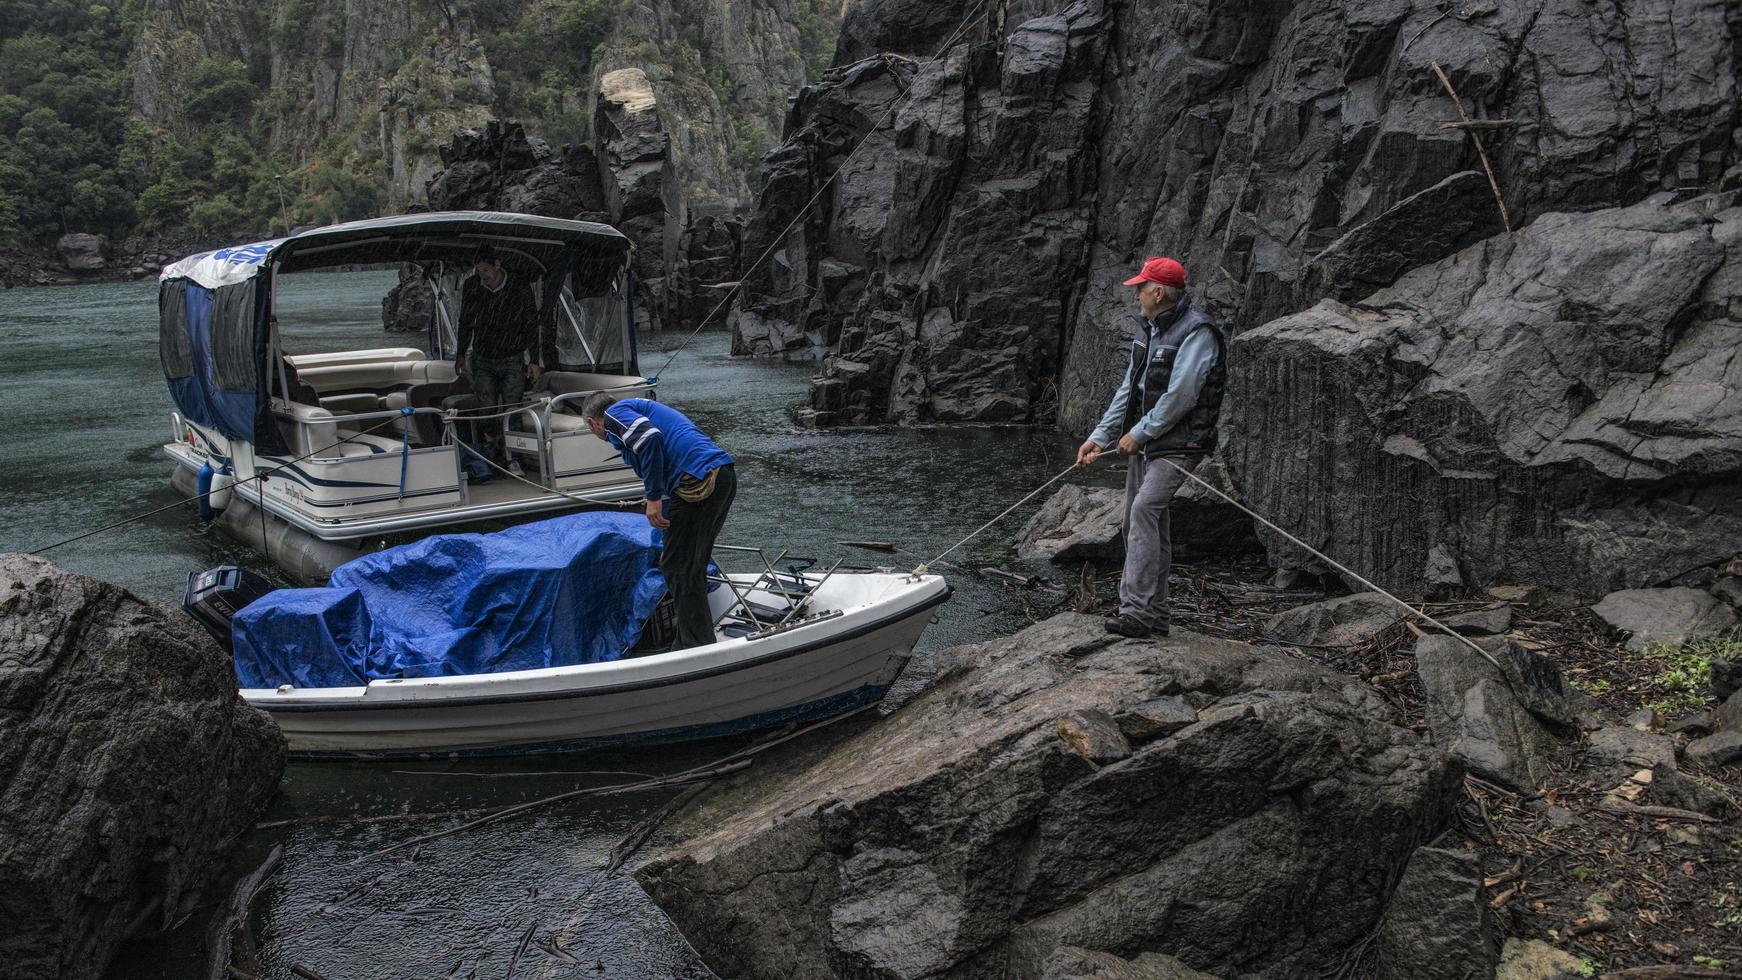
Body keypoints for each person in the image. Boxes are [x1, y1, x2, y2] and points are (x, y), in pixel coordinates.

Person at [1075, 256, 1227, 639]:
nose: (1136, 294)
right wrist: (1100, 436)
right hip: (1150, 442)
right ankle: (1155, 614)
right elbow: (1128, 389)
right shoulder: (1147, 330)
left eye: (1140, 288)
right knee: (1140, 519)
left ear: (1158, 292)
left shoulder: (1198, 332)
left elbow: (1182, 396)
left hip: (1181, 442)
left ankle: (1137, 613)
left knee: (1144, 510)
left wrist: (1139, 434)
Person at [581, 393, 736, 650]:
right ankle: (695, 641)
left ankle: (694, 646)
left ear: (592, 422)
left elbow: (650, 438)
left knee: (678, 566)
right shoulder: (636, 409)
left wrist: (651, 498)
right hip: (721, 476)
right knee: (685, 564)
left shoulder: (612, 415)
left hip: (698, 482)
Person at [455, 245, 542, 476]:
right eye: (478, 271)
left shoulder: (518, 285)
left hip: (513, 356)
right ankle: (492, 456)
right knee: (488, 410)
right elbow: (465, 321)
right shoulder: (473, 286)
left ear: (497, 265)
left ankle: (514, 459)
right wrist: (461, 353)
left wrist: (534, 359)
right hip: (484, 358)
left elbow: (531, 322)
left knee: (512, 410)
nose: (483, 276)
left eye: (485, 270)